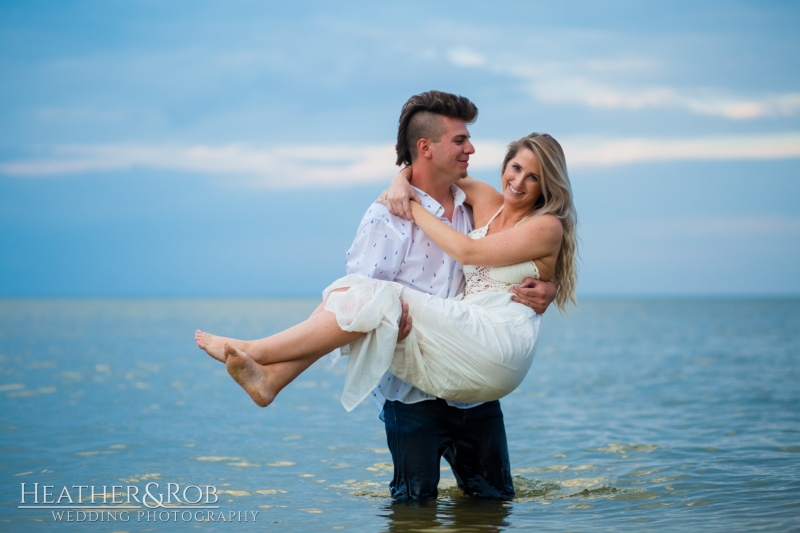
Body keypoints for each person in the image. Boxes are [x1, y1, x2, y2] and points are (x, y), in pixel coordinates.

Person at [196, 91, 573, 501]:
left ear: (547, 183)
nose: (518, 180)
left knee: (493, 504)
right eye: (515, 167)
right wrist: (399, 182)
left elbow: (476, 254)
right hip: (424, 379)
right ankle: (269, 373)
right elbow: (418, 177)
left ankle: (260, 355)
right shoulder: (461, 204)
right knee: (424, 507)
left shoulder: (512, 217)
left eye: (533, 176)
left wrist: (412, 206)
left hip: (484, 362)